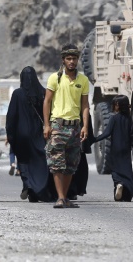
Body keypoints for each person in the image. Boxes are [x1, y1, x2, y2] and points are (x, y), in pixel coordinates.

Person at [43, 44, 90, 209]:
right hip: (58, 125)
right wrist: (47, 125)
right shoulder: (55, 78)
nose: (71, 62)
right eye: (68, 59)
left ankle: (64, 196)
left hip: (75, 127)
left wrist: (85, 126)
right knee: (57, 163)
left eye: (74, 59)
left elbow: (85, 105)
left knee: (71, 164)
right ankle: (61, 197)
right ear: (63, 60)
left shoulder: (83, 80)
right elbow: (47, 101)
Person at [6, 66, 55, 203]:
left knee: (24, 161)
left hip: (21, 134)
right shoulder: (43, 93)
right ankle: (40, 188)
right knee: (40, 161)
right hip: (39, 134)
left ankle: (28, 185)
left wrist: (10, 134)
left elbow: (11, 116)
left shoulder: (17, 94)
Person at [92, 95, 133, 202]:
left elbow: (107, 133)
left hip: (115, 149)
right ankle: (126, 192)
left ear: (118, 106)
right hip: (126, 150)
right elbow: (132, 136)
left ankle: (119, 184)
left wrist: (94, 139)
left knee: (116, 170)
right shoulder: (129, 119)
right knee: (127, 171)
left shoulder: (114, 118)